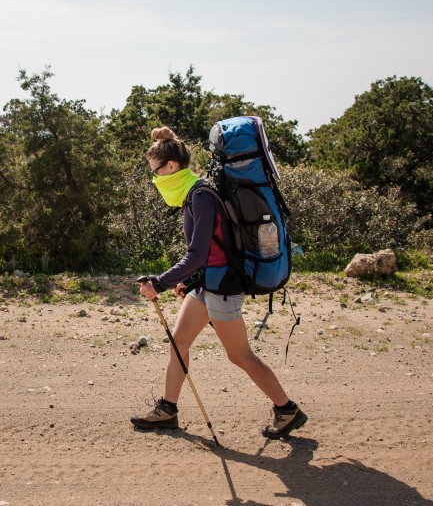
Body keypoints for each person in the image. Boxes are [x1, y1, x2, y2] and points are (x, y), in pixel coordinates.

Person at [130, 126, 307, 440]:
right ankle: (168, 410)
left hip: (223, 287)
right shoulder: (194, 195)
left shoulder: (201, 196)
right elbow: (214, 249)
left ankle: (287, 409)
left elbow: (198, 253)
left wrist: (159, 282)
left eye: (155, 172)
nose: (154, 179)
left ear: (171, 167)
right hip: (207, 284)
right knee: (179, 342)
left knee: (240, 355)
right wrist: (192, 280)